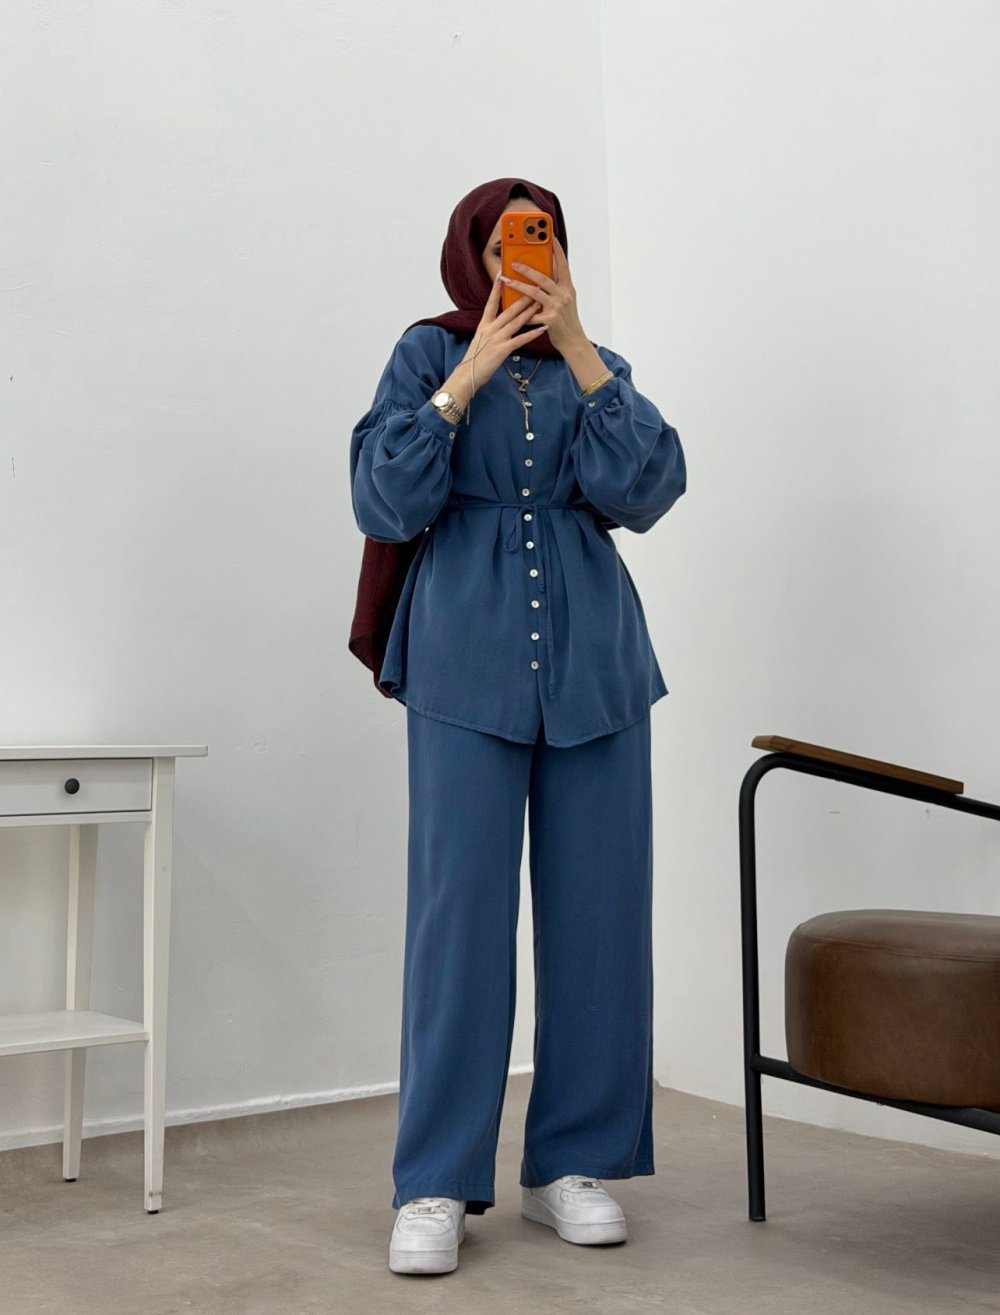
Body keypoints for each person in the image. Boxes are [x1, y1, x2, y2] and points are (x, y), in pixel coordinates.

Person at [348, 177, 687, 1275]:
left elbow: (647, 489)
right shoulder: (425, 353)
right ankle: (436, 1178)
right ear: (472, 256)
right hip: (462, 663)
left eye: (541, 245)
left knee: (601, 918)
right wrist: (469, 375)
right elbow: (384, 499)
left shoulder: (598, 367)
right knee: (459, 927)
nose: (523, 265)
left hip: (597, 668)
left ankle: (572, 1162)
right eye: (505, 246)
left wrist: (577, 345)